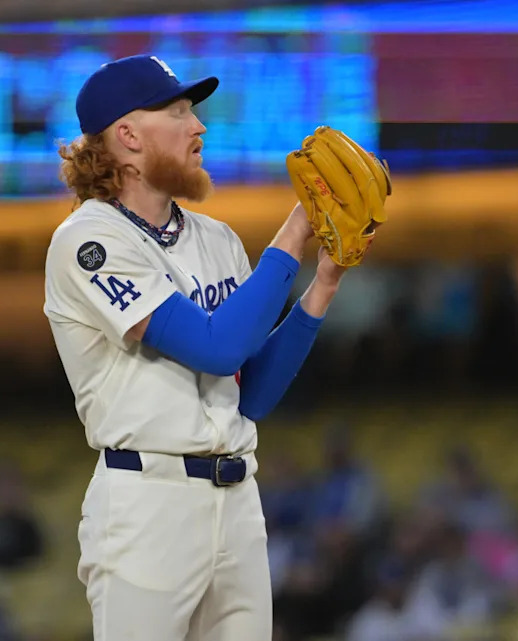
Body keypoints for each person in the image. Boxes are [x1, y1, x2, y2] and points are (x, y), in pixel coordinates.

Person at [44, 54, 353, 641]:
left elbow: (252, 393)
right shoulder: (88, 240)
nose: (198, 126)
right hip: (147, 504)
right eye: (179, 111)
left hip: (237, 503)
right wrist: (296, 228)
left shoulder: (216, 240)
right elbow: (216, 347)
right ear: (128, 136)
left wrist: (324, 283)